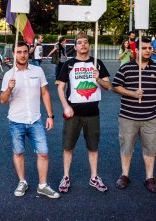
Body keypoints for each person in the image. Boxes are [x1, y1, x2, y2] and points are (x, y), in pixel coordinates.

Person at [0, 41, 59, 199]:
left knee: (43, 153)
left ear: (29, 53)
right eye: (18, 52)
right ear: (13, 54)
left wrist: (50, 116)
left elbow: (45, 93)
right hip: (16, 121)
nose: (22, 55)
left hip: (35, 120)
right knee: (18, 153)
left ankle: (43, 185)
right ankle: (22, 181)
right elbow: (2, 100)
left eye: (25, 51)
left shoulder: (37, 71)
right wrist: (9, 88)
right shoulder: (8, 75)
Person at [57, 32, 111, 193]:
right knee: (68, 147)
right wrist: (65, 106)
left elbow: (109, 86)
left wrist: (98, 78)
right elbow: (60, 88)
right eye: (79, 42)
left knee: (93, 147)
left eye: (86, 42)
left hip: (93, 113)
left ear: (89, 45)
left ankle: (94, 177)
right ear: (75, 47)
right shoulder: (69, 64)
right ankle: (65, 177)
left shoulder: (97, 63)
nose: (83, 45)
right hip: (73, 113)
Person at [112, 37, 156, 193]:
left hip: (151, 117)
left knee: (150, 149)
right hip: (128, 117)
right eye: (144, 48)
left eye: (150, 48)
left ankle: (149, 178)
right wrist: (132, 93)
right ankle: (124, 175)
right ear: (136, 50)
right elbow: (115, 86)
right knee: (126, 147)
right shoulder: (126, 68)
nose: (148, 50)